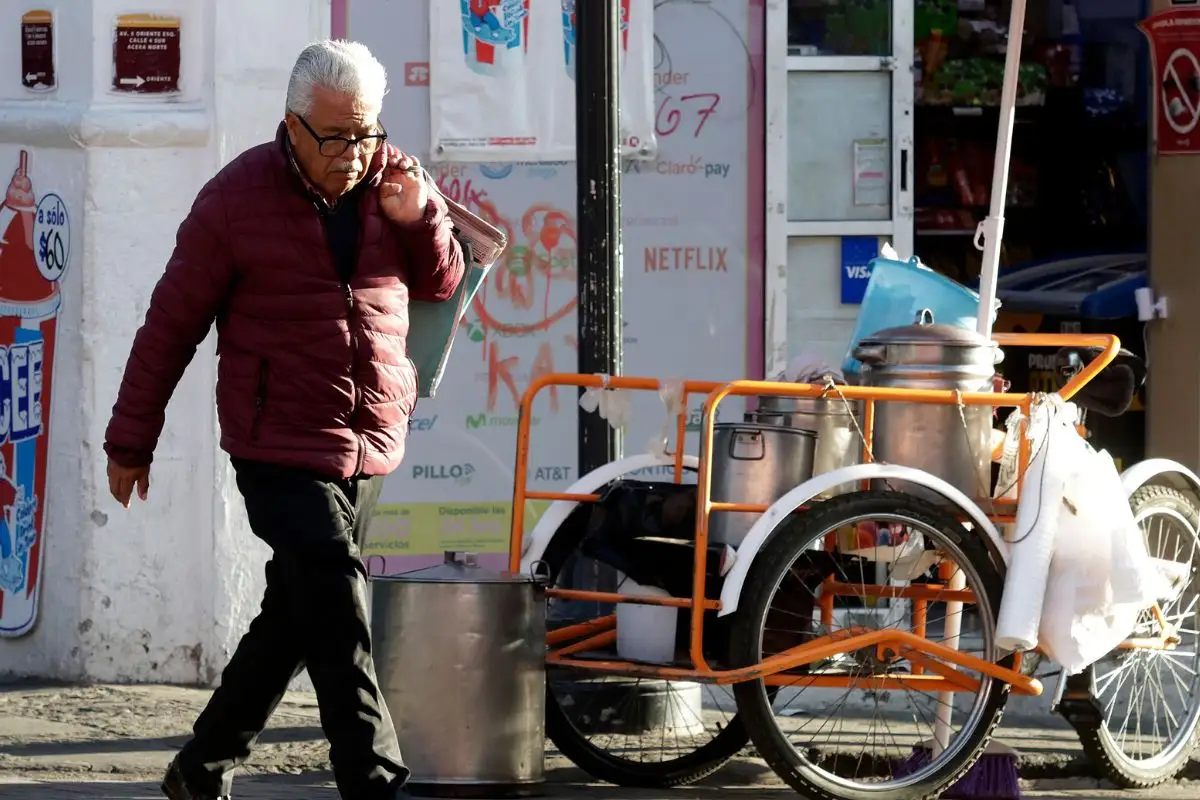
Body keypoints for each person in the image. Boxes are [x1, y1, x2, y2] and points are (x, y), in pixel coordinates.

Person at [103, 40, 465, 800]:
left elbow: (443, 281)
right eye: (334, 137)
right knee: (337, 595)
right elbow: (169, 326)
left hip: (368, 438)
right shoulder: (234, 201)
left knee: (298, 612)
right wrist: (131, 440)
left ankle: (200, 769)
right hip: (277, 443)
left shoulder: (395, 181)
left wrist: (421, 216)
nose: (353, 155)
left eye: (365, 133)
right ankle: (373, 780)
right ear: (293, 125)